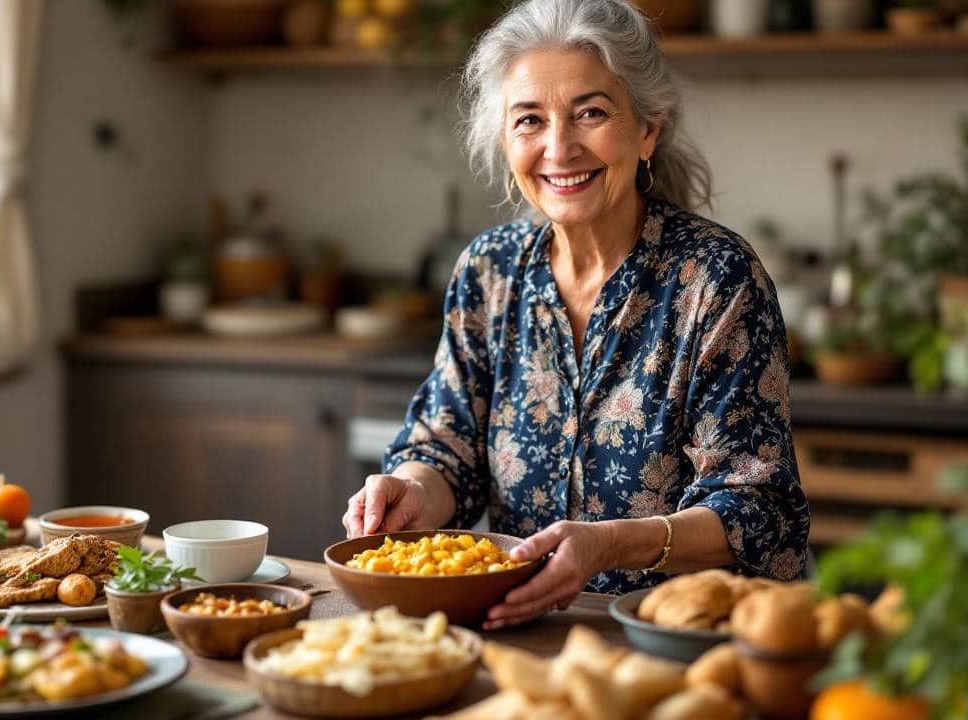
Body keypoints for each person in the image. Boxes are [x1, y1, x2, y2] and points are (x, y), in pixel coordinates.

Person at [341, 0, 810, 630]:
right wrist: (412, 491)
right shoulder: (488, 271)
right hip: (522, 632)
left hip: (683, 642)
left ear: (648, 129)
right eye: (529, 120)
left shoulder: (714, 278)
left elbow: (759, 509)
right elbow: (446, 442)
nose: (558, 148)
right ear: (505, 142)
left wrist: (612, 543)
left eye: (590, 112)